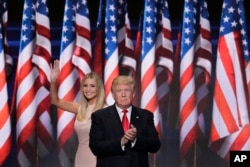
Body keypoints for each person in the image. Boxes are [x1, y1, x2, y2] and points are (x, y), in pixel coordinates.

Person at [89, 75, 161, 167]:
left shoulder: (145, 116)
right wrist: (121, 142)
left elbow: (155, 145)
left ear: (133, 93)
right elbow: (95, 147)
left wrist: (135, 140)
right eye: (119, 91)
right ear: (113, 94)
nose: (123, 94)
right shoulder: (100, 116)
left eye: (127, 90)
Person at [50, 60, 106, 167]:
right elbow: (55, 101)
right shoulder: (80, 108)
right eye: (85, 86)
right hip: (81, 156)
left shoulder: (106, 110)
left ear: (99, 88)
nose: (88, 89)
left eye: (92, 86)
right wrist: (53, 81)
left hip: (99, 158)